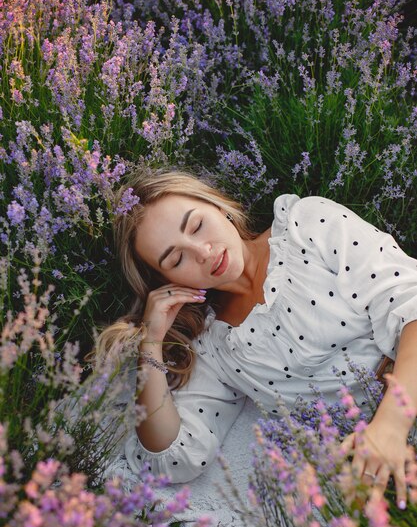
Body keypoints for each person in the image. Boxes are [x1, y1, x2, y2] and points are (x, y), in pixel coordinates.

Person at [96, 167, 417, 508]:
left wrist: (391, 426)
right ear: (167, 280)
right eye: (176, 259)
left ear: (218, 205)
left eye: (197, 225)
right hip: (381, 467)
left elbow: (410, 302)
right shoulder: (213, 346)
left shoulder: (306, 225)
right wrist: (152, 342)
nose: (202, 252)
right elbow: (175, 457)